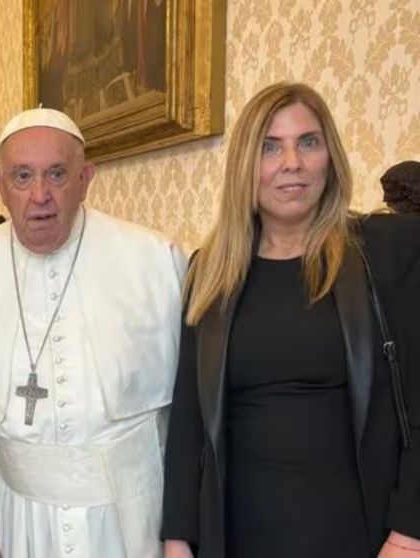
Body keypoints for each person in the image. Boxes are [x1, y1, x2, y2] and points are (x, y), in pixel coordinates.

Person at [162, 82, 420, 558]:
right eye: (269, 147)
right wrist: (178, 540)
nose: (292, 164)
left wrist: (408, 535)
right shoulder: (211, 269)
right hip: (239, 535)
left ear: (330, 156)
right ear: (245, 165)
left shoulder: (383, 252)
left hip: (359, 535)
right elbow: (189, 420)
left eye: (308, 142)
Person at [0, 107, 186, 558]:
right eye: (22, 177)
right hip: (18, 519)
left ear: (85, 179)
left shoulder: (156, 260)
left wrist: (180, 528)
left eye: (57, 175)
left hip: (135, 517)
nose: (40, 195)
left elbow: (181, 421)